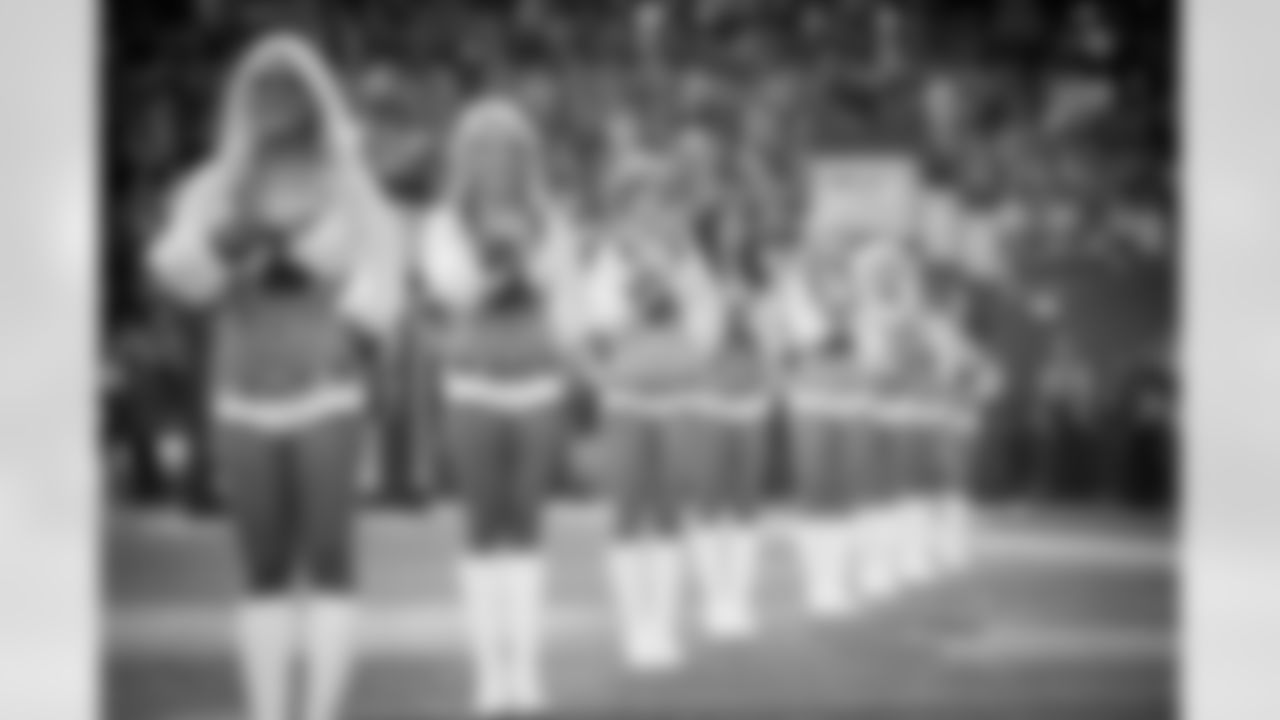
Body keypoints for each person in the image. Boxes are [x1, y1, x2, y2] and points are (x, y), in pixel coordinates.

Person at [147, 32, 403, 720]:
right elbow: (178, 272)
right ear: (244, 100)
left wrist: (347, 314)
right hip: (242, 390)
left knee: (329, 558)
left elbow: (382, 269)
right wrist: (222, 242)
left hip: (326, 388)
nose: (276, 101)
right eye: (263, 88)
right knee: (261, 568)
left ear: (314, 97)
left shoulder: (346, 180)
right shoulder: (214, 184)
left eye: (290, 87)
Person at [412, 96, 581, 715]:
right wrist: (497, 262)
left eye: (508, 147)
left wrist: (523, 259)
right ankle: (489, 670)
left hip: (537, 383)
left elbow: (561, 290)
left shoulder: (551, 218)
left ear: (525, 156)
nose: (495, 158)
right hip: (473, 385)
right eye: (482, 147)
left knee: (528, 524)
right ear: (464, 156)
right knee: (483, 526)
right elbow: (451, 288)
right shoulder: (443, 222)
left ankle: (525, 669)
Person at [574, 135, 720, 666]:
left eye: (658, 198)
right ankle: (636, 625)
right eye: (636, 199)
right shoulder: (609, 254)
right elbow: (594, 318)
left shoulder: (686, 255)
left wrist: (685, 336)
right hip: (627, 395)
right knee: (629, 510)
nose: (649, 209)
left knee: (671, 509)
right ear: (621, 205)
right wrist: (636, 302)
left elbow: (708, 318)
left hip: (677, 394)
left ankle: (662, 623)